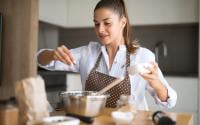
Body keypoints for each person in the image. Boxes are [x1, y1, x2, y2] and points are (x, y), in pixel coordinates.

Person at [37, 0, 177, 110]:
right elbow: (39, 59)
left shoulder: (143, 57)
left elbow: (170, 102)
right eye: (96, 24)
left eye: (107, 23)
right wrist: (52, 55)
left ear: (123, 22)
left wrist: (157, 84)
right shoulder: (87, 53)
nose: (100, 29)